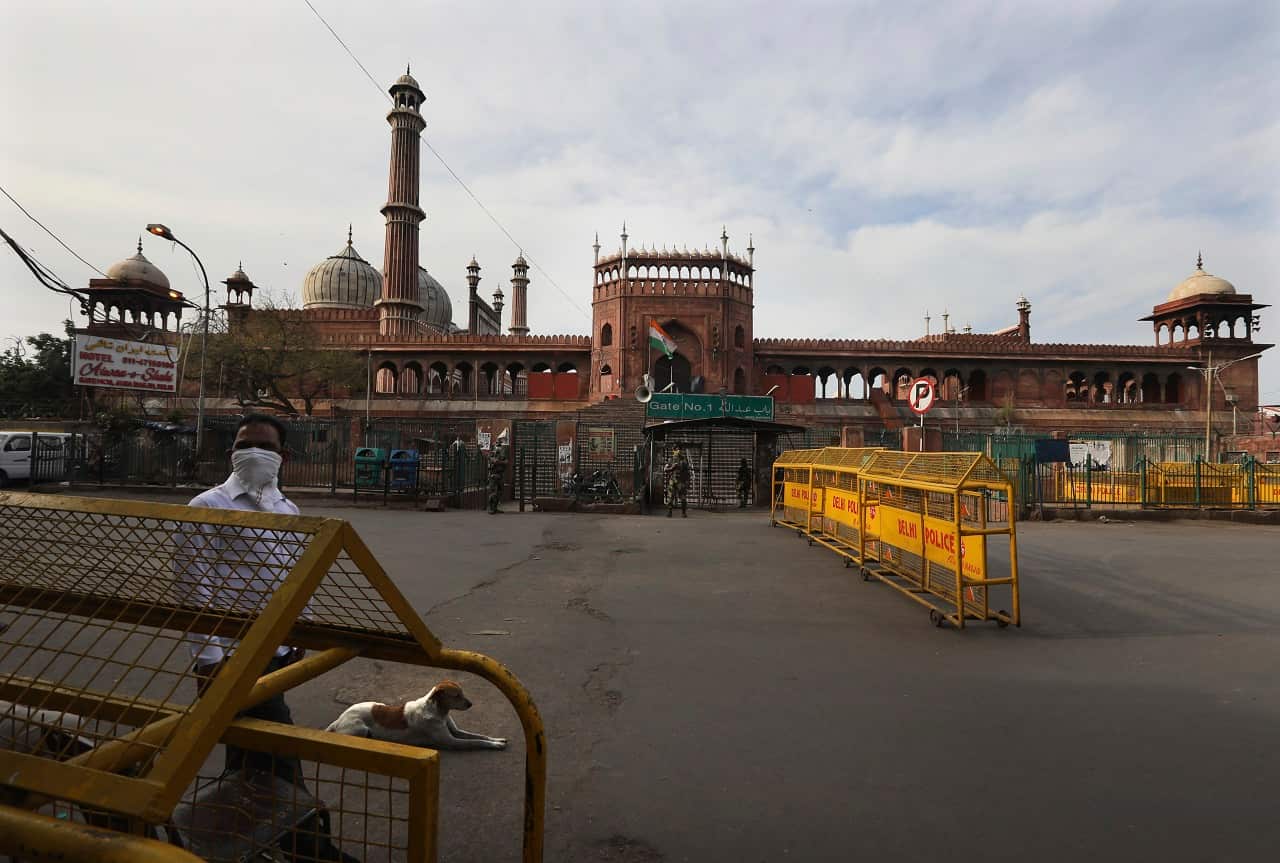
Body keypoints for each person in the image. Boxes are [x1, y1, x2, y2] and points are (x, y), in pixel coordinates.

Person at [176, 413, 305, 781]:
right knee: (280, 751)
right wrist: (207, 659)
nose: (253, 453)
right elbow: (192, 586)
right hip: (234, 654)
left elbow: (292, 576)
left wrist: (297, 633)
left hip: (276, 648)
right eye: (244, 445)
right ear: (231, 452)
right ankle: (309, 838)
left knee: (248, 752)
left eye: (265, 447)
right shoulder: (208, 506)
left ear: (284, 455)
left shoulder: (288, 509)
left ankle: (236, 827)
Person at [663, 447, 691, 518]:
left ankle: (683, 513)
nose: (677, 451)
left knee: (683, 498)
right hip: (672, 480)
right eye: (675, 450)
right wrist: (672, 468)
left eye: (678, 450)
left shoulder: (684, 461)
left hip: (681, 481)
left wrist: (687, 481)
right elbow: (665, 469)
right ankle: (669, 512)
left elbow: (688, 472)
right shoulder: (671, 460)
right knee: (670, 497)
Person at [487, 431, 509, 514]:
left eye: (500, 442)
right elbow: (492, 460)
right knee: (493, 492)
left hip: (500, 473)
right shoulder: (492, 451)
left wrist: (499, 462)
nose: (499, 444)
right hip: (493, 473)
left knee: (500, 492)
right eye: (498, 442)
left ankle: (495, 507)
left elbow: (506, 461)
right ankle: (491, 508)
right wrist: (498, 461)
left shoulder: (503, 451)